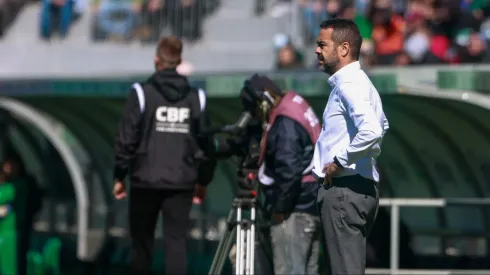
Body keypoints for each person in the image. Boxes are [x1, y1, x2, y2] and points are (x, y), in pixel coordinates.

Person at [112, 36, 216, 275]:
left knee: (141, 244)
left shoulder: (141, 93)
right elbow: (207, 144)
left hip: (144, 179)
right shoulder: (195, 97)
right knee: (176, 243)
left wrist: (119, 175)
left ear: (156, 60)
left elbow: (126, 139)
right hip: (182, 181)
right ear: (179, 61)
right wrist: (203, 180)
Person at [312, 18, 390, 275]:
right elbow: (383, 126)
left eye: (322, 44)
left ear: (344, 49)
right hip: (358, 188)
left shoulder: (349, 84)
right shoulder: (361, 82)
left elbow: (372, 129)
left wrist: (340, 161)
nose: (317, 50)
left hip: (345, 189)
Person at [235, 75, 322, 274]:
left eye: (255, 110)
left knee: (289, 270)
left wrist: (280, 208)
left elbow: (289, 170)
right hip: (311, 202)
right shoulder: (295, 104)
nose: (257, 117)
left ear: (263, 102)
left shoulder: (285, 122)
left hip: (295, 210)